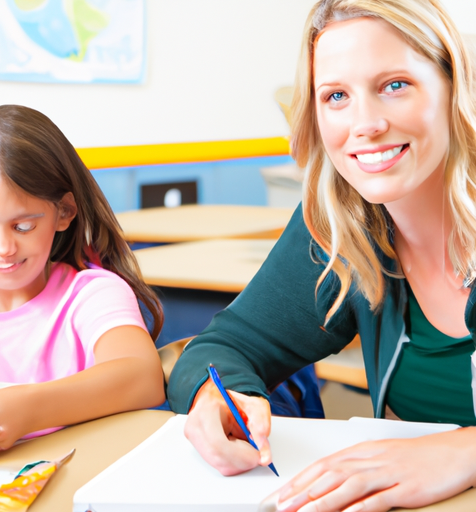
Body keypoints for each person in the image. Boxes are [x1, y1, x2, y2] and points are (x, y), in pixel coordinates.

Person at [167, 0, 476, 510]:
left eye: (395, 85)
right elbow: (222, 349)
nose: (366, 123)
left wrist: (466, 451)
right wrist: (216, 399)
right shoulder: (341, 224)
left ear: (452, 88)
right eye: (336, 95)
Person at [0, 105, 165, 463]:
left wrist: (23, 410)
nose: (3, 248)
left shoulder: (92, 295)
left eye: (23, 226)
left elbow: (142, 376)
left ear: (64, 213)